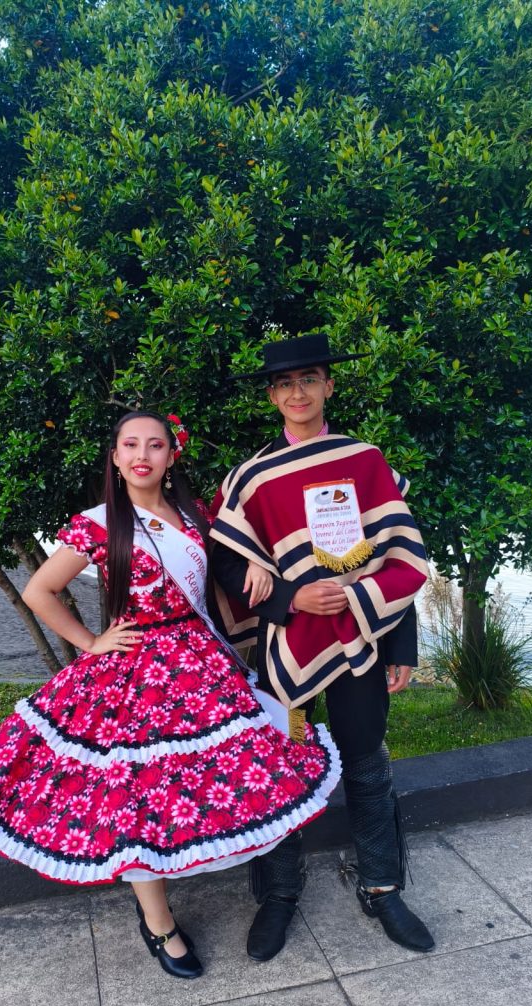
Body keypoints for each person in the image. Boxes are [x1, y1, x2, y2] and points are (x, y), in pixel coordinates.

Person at [0, 410, 341, 980]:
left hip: (201, 662)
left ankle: (256, 877)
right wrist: (89, 642)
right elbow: (40, 589)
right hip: (132, 674)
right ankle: (159, 924)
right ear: (116, 455)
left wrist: (256, 564)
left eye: (155, 445)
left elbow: (230, 561)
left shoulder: (194, 516)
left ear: (172, 456)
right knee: (134, 799)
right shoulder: (101, 525)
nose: (142, 455)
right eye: (130, 445)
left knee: (231, 775)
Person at [210, 334, 435, 962]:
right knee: (283, 773)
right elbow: (227, 568)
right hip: (287, 652)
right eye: (283, 384)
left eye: (308, 379)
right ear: (271, 396)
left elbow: (400, 554)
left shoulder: (365, 462)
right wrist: (288, 601)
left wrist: (402, 646)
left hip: (361, 642)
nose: (296, 393)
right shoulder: (251, 478)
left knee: (367, 764)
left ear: (329, 385)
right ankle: (279, 894)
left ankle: (383, 887)